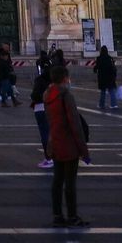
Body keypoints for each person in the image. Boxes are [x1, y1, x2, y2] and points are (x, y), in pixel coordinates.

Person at [44, 64, 89, 227]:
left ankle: (57, 214)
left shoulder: (47, 95)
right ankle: (72, 215)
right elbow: (75, 124)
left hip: (54, 142)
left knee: (57, 180)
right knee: (70, 182)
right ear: (64, 78)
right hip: (68, 144)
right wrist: (84, 150)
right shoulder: (66, 96)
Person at [92, 45, 118, 110]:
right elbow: (113, 68)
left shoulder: (99, 58)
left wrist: (95, 70)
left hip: (102, 77)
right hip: (110, 77)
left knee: (103, 91)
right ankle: (113, 104)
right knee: (111, 90)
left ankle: (101, 105)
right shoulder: (110, 58)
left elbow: (97, 67)